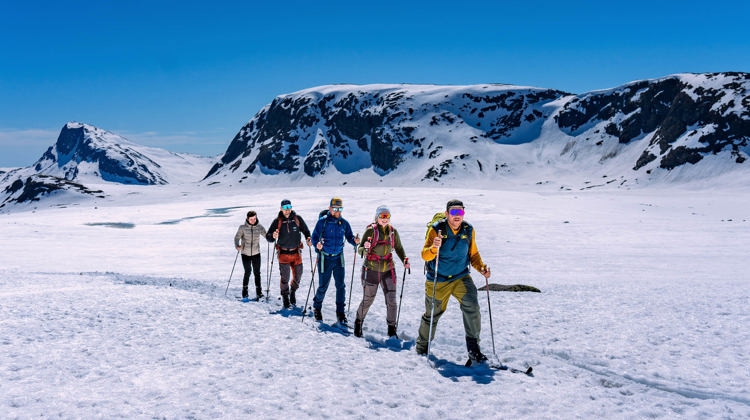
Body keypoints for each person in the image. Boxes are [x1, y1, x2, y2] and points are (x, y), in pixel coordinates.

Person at [416, 199, 492, 363]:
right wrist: (434, 248)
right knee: (432, 315)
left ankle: (474, 350)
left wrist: (482, 268)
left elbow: (473, 255)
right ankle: (422, 349)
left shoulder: (468, 229)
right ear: (447, 214)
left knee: (472, 307)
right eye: (454, 212)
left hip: (461, 277)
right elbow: (425, 254)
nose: (457, 215)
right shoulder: (437, 229)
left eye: (460, 212)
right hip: (438, 279)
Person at [354, 205, 410, 338]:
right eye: (382, 216)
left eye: (387, 216)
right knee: (368, 299)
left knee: (392, 300)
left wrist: (404, 260)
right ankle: (358, 323)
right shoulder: (370, 231)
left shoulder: (393, 232)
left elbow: (399, 248)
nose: (385, 219)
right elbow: (360, 249)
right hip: (371, 269)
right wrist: (365, 248)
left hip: (388, 269)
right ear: (377, 217)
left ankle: (392, 329)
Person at [311, 197, 360, 324]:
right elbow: (314, 237)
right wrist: (317, 245)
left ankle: (340, 313)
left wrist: (354, 241)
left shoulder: (344, 223)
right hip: (325, 258)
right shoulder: (322, 222)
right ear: (330, 208)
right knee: (323, 286)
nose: (337, 211)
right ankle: (317, 308)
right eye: (335, 209)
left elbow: (349, 236)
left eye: (340, 209)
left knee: (340, 286)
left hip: (339, 258)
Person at [266, 199, 312, 308]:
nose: (287, 210)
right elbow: (269, 237)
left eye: (289, 207)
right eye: (285, 208)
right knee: (285, 277)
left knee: (298, 275)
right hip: (283, 254)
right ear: (281, 209)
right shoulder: (277, 221)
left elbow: (306, 231)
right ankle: (285, 297)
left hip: (296, 253)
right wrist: (273, 236)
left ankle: (293, 292)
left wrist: (308, 239)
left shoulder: (297, 219)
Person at [234, 210, 270, 300]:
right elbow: (237, 237)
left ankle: (259, 293)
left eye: (255, 218)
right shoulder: (242, 228)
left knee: (257, 273)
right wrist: (237, 245)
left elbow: (267, 236)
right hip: (245, 253)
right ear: (247, 219)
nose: (253, 220)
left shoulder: (259, 227)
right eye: (251, 219)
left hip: (256, 253)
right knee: (247, 272)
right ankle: (245, 293)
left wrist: (273, 236)